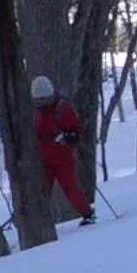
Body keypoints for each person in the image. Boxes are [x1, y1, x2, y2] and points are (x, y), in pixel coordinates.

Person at [31, 74, 94, 225]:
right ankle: (39, 222)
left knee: (70, 187)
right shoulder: (36, 113)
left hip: (62, 156)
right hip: (44, 158)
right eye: (38, 101)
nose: (42, 104)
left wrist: (67, 137)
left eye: (45, 100)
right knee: (41, 190)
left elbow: (76, 132)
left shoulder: (63, 108)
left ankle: (87, 213)